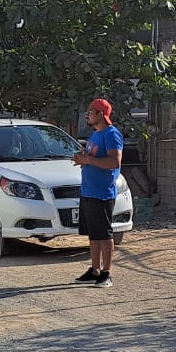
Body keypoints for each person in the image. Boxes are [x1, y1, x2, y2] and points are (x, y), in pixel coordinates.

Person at [71, 98, 122, 288]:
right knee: (93, 234)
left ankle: (106, 273)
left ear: (101, 114)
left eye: (91, 111)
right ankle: (94, 270)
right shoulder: (94, 135)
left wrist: (89, 161)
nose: (88, 115)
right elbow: (91, 157)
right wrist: (82, 159)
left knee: (104, 234)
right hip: (88, 191)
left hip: (102, 193)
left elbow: (114, 162)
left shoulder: (111, 134)